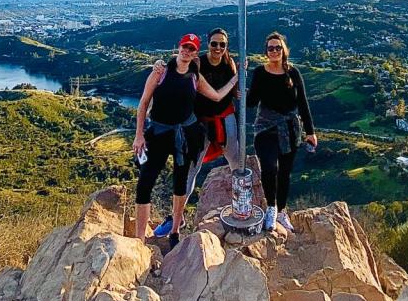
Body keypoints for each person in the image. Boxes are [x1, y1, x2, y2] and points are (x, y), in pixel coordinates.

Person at [133, 33, 238, 248]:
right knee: (145, 183)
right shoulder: (161, 72)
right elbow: (143, 104)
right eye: (185, 47)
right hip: (159, 133)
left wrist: (237, 79)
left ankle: (174, 231)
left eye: (191, 48)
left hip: (186, 135)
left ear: (195, 52)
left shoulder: (195, 75)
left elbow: (217, 96)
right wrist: (139, 135)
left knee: (180, 182)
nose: (187, 51)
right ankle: (139, 239)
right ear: (179, 47)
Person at [247, 31, 317, 233]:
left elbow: (302, 103)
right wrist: (242, 83)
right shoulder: (260, 72)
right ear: (266, 52)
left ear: (284, 50)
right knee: (269, 168)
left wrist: (310, 131)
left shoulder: (293, 73)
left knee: (285, 173)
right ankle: (271, 207)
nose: (275, 51)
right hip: (265, 128)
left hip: (289, 129)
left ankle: (282, 212)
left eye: (278, 47)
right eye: (271, 48)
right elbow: (251, 103)